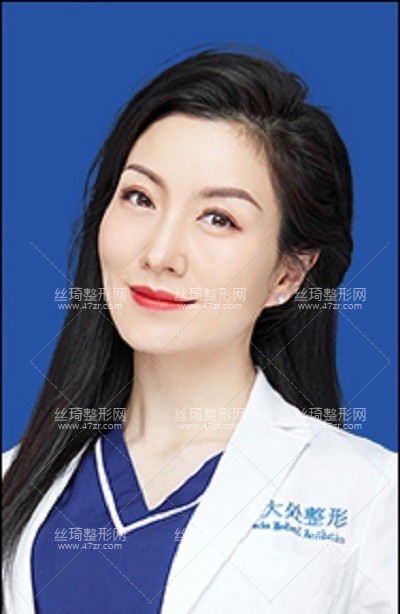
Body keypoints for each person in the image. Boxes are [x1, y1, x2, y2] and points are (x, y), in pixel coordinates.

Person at [2, 46, 397, 614]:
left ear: (287, 274)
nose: (160, 253)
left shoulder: (371, 498)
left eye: (219, 218)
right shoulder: (14, 480)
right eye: (140, 197)